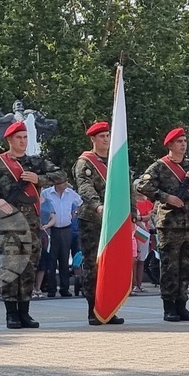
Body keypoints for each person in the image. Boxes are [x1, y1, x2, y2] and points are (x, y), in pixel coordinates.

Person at [0, 121, 67, 329]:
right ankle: (11, 313)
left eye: (25, 138)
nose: (22, 142)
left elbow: (61, 174)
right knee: (11, 266)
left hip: (32, 222)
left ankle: (25, 312)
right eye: (18, 138)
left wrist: (38, 178)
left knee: (29, 266)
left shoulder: (35, 162)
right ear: (9, 140)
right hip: (9, 221)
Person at [137, 127, 189, 322]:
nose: (183, 144)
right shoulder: (159, 167)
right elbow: (142, 185)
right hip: (169, 224)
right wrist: (167, 197)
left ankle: (182, 305)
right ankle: (169, 306)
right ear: (170, 145)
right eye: (179, 141)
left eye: (184, 141)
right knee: (170, 267)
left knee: (187, 266)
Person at [74, 121, 128, 325]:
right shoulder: (85, 162)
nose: (106, 139)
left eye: (108, 135)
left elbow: (126, 188)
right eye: (102, 136)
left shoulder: (116, 160)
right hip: (92, 220)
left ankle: (109, 309)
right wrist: (98, 206)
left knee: (112, 264)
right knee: (93, 265)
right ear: (93, 139)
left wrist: (130, 212)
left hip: (115, 221)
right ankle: (93, 309)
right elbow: (85, 187)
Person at [41, 178, 82, 298]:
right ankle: (51, 289)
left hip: (66, 228)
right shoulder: (47, 193)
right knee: (52, 260)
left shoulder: (70, 193)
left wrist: (74, 214)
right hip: (51, 229)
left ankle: (65, 288)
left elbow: (80, 203)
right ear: (56, 183)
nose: (65, 184)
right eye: (62, 182)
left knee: (64, 260)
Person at [133, 182, 153, 294]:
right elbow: (133, 217)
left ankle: (139, 284)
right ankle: (133, 284)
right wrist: (141, 218)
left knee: (142, 259)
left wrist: (140, 218)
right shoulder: (132, 202)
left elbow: (149, 216)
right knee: (134, 259)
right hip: (134, 232)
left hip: (144, 232)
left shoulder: (147, 202)